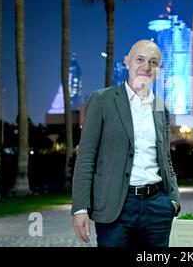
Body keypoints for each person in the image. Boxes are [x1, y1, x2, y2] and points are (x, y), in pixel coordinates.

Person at [72, 39, 181, 247]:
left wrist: (173, 200)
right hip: (116, 208)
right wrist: (80, 208)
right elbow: (86, 158)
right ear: (127, 62)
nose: (146, 67)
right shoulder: (102, 100)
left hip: (157, 207)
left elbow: (166, 158)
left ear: (158, 69)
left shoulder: (161, 108)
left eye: (153, 62)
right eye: (140, 59)